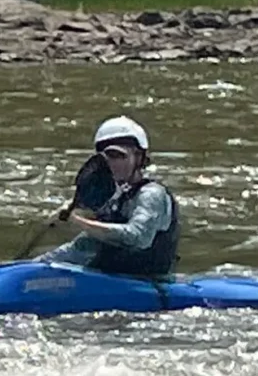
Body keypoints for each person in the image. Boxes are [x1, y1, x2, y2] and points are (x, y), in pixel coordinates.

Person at [44, 116, 179, 277]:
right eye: (103, 158)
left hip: (148, 284)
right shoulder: (115, 199)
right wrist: (34, 266)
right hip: (113, 281)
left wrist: (78, 221)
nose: (110, 163)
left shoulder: (152, 194)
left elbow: (138, 237)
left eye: (117, 155)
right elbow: (82, 247)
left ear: (138, 157)